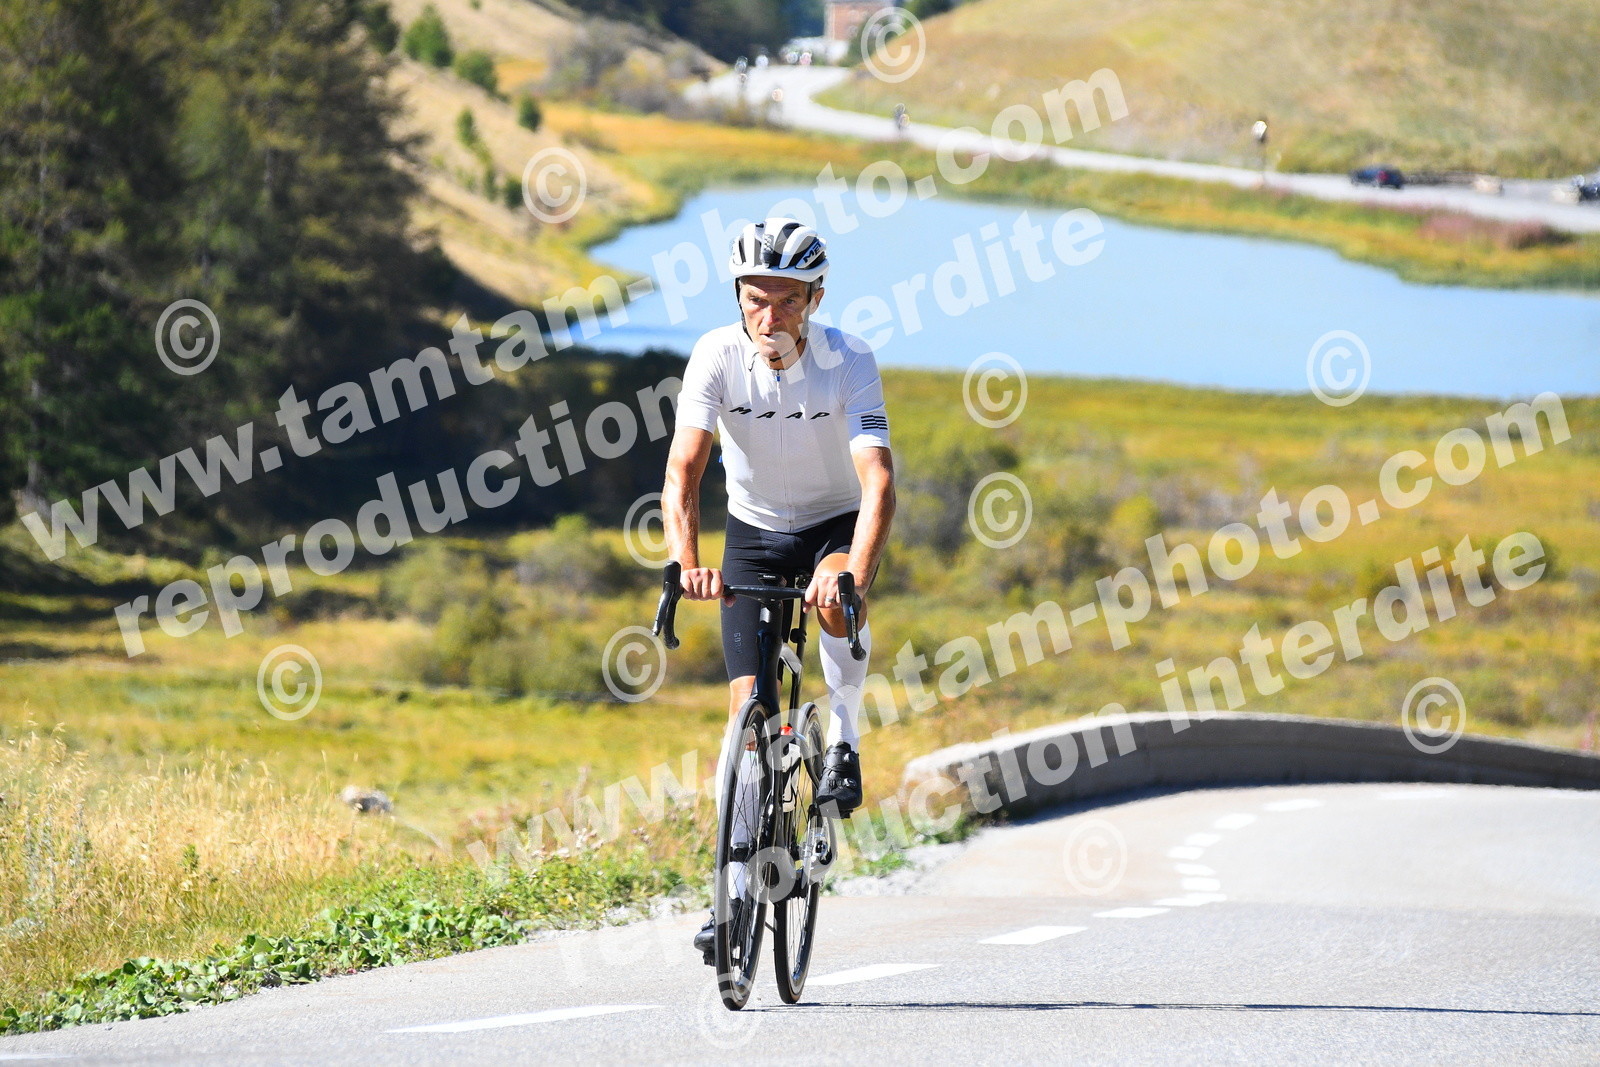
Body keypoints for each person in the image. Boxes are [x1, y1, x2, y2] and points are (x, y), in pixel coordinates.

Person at [661, 217, 896, 963]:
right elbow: (684, 470)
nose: (770, 317)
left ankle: (845, 740)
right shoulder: (716, 356)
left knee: (832, 602)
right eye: (756, 299)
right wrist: (686, 562)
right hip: (755, 533)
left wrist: (853, 575)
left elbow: (878, 482)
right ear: (738, 298)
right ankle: (730, 894)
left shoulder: (849, 360)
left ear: (815, 299)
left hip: (832, 527)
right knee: (745, 717)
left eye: (788, 300)